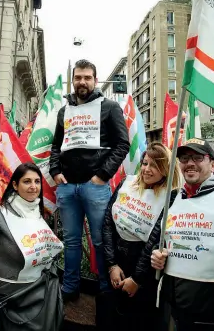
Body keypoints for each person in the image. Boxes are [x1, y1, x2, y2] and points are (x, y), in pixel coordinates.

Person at [49, 59, 129, 302]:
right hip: (66, 187)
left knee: (99, 240)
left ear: (95, 80)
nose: (82, 82)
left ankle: (105, 290)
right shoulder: (64, 111)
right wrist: (54, 171)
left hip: (95, 187)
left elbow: (122, 144)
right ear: (73, 80)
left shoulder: (111, 107)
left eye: (87, 77)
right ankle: (70, 287)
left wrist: (101, 176)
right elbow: (56, 145)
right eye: (78, 77)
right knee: (71, 241)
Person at [0, 162, 64, 331]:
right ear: (14, 185)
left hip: (36, 300)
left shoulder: (38, 214)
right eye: (27, 181)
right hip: (4, 300)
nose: (33, 187)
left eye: (37, 182)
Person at [100, 142, 181, 331]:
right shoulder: (127, 184)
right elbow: (107, 222)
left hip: (144, 270)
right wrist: (112, 264)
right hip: (117, 263)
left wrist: (136, 279)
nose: (147, 169)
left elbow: (155, 239)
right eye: (145, 163)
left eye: (154, 165)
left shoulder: (170, 196)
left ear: (165, 169)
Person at [151, 138, 214, 331]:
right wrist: (159, 256)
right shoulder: (174, 196)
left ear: (213, 164)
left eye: (198, 157)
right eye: (184, 158)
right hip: (176, 304)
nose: (190, 163)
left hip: (213, 308)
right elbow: (163, 239)